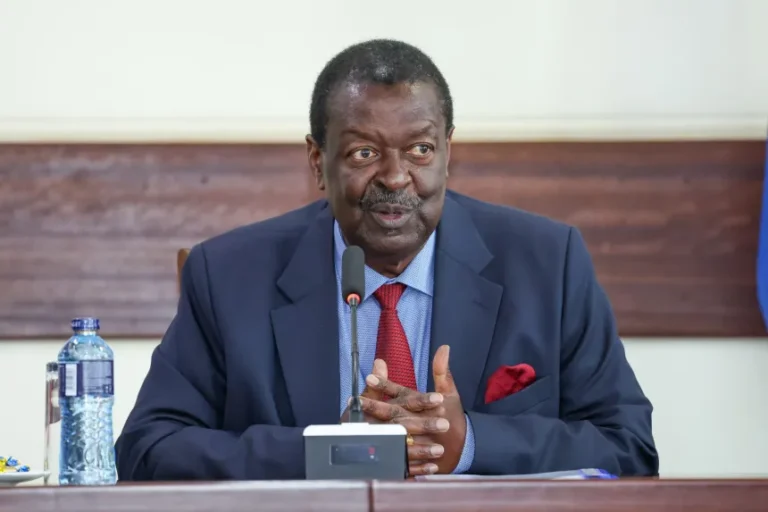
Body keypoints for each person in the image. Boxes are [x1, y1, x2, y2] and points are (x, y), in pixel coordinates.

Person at [115, 39, 659, 480]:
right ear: (317, 161)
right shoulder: (229, 275)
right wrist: (329, 454)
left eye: (420, 149)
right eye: (365, 153)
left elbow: (629, 448)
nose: (396, 177)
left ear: (448, 151)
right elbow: (148, 448)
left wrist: (470, 443)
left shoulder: (547, 263)